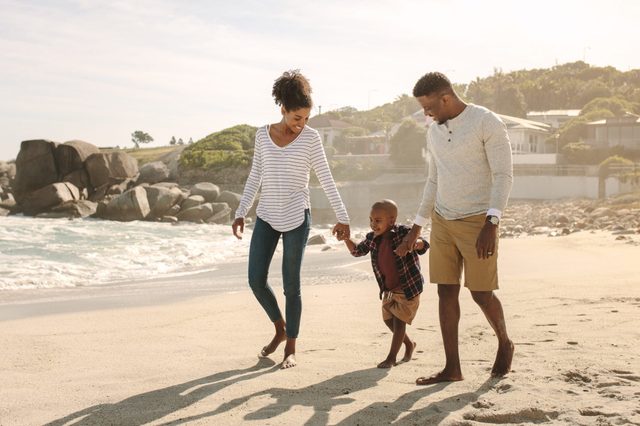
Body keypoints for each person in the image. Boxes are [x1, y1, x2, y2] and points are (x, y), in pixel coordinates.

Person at [395, 72, 514, 385]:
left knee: (481, 294)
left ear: (445, 98)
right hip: (443, 221)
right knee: (446, 291)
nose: (426, 113)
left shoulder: (486, 122)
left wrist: (492, 221)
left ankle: (504, 340)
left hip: (479, 222)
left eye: (428, 106)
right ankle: (452, 368)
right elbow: (434, 180)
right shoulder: (433, 133)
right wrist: (416, 227)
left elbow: (503, 175)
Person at [232, 70, 350, 369]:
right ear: (282, 109)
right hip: (267, 216)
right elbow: (255, 175)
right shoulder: (262, 135)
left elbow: (325, 178)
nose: (302, 124)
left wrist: (343, 217)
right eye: (297, 118)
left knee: (291, 285)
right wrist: (241, 211)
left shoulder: (310, 139)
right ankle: (280, 328)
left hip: (298, 216)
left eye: (306, 118)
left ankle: (291, 347)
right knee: (256, 280)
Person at [341, 199, 429, 368]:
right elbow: (357, 251)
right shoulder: (373, 238)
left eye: (378, 220)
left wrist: (414, 244)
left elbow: (424, 244)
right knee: (388, 321)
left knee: (398, 322)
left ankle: (391, 358)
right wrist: (346, 239)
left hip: (407, 288)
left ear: (392, 220)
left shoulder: (404, 233)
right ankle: (409, 344)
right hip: (388, 290)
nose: (373, 224)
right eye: (371, 220)